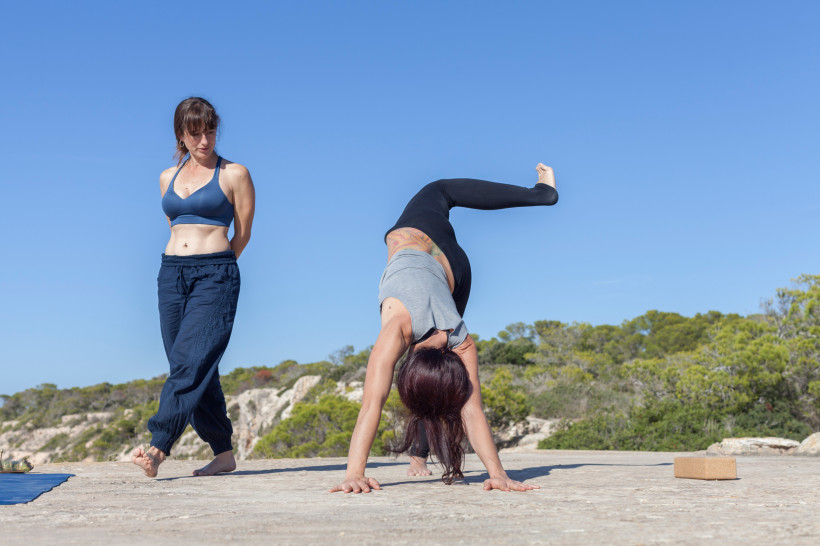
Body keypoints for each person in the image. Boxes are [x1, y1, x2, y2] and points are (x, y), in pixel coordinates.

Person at [330, 164, 558, 493]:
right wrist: (497, 474)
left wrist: (355, 473)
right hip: (441, 259)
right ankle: (542, 195)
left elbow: (373, 405)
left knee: (433, 390)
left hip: (450, 269)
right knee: (440, 188)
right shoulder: (455, 339)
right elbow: (471, 409)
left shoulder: (411, 333)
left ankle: (418, 456)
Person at [131, 97, 256, 478]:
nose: (205, 141)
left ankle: (158, 446)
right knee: (192, 365)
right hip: (171, 274)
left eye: (211, 132)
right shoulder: (166, 178)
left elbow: (243, 233)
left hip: (215, 274)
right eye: (196, 133)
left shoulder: (234, 173)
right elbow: (175, 227)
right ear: (181, 135)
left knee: (189, 362)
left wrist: (218, 265)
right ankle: (223, 452)